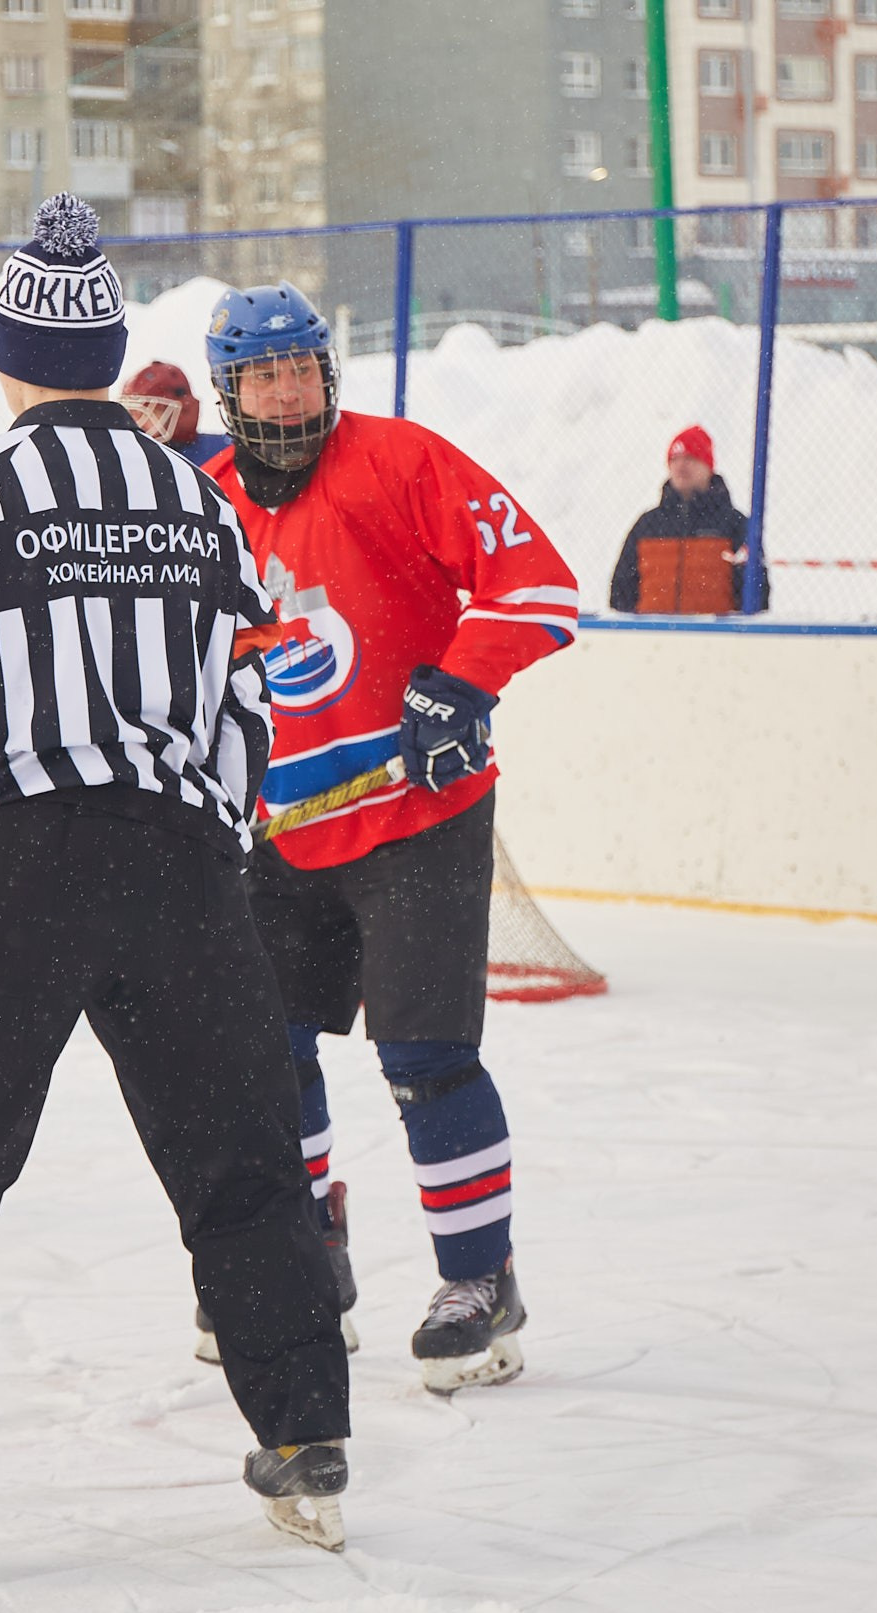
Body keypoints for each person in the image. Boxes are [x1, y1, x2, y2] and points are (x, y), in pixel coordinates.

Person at [0, 199, 352, 1593]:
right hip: (180, 864)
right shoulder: (197, 491)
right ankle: (310, 1437)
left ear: (9, 357)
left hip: (20, 864)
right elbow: (244, 698)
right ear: (105, 352)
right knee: (244, 1166)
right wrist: (211, 846)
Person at [197, 281, 578, 1396]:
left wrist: (458, 687)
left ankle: (477, 1278)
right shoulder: (199, 501)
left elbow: (539, 587)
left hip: (418, 816)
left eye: (303, 368)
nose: (287, 389)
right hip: (276, 829)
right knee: (268, 1057)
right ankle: (307, 1253)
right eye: (263, 374)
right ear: (229, 391)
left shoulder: (404, 462)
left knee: (425, 1061)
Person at [608, 424, 763, 613]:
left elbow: (757, 593)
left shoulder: (734, 524)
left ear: (708, 466)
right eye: (675, 459)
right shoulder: (648, 524)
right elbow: (621, 590)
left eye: (690, 458)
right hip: (652, 638)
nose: (681, 465)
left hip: (716, 639)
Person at [120, 358, 232, 464]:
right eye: (132, 413)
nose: (136, 422)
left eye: (147, 412)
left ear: (181, 411)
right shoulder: (129, 459)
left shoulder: (223, 455)